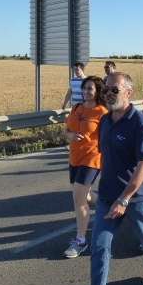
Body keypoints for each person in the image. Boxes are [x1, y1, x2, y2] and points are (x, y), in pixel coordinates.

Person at [62, 72, 143, 285]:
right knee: (99, 248)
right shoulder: (106, 120)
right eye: (106, 89)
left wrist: (125, 198)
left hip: (136, 198)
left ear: (129, 92)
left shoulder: (139, 122)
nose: (108, 93)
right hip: (108, 196)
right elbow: (101, 154)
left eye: (114, 89)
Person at [63, 76, 108, 258]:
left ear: (97, 91)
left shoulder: (102, 112)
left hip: (92, 158)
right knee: (86, 195)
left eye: (90, 88)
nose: (86, 91)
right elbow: (66, 131)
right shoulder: (76, 108)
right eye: (84, 88)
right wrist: (71, 136)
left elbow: (108, 137)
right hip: (75, 157)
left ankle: (81, 240)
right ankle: (107, 204)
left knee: (78, 198)